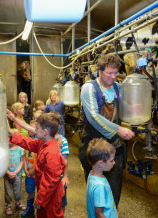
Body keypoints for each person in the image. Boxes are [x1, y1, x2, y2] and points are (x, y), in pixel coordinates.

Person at [79, 54, 135, 207]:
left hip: (115, 146)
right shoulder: (90, 88)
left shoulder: (118, 88)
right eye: (109, 73)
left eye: (116, 73)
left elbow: (127, 108)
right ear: (100, 71)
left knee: (114, 189)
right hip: (94, 145)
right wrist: (118, 129)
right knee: (97, 190)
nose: (113, 77)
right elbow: (93, 117)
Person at [7, 111, 66, 218]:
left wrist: (39, 200)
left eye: (37, 128)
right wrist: (11, 132)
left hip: (51, 196)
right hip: (44, 193)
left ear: (45, 132)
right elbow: (27, 142)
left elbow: (51, 182)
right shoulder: (43, 142)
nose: (35, 130)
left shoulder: (52, 152)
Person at [86, 138, 117, 218]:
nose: (114, 162)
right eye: (111, 160)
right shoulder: (99, 186)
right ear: (100, 164)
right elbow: (99, 213)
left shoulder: (91, 175)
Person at [47, 112, 69, 213]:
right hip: (47, 178)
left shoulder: (62, 140)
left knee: (61, 202)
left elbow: (64, 160)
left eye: (55, 123)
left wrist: (65, 176)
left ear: (59, 125)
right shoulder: (44, 139)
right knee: (47, 201)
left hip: (59, 178)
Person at [4, 129, 26, 215]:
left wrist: (16, 172)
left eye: (11, 137)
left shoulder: (20, 149)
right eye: (7, 137)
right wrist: (8, 172)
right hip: (7, 174)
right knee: (8, 191)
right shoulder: (4, 150)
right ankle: (8, 205)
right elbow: (2, 163)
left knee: (18, 190)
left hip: (18, 174)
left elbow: (22, 161)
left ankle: (18, 202)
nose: (9, 139)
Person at [21, 120, 38, 217]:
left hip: (37, 173)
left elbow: (40, 159)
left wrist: (33, 171)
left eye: (32, 128)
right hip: (28, 173)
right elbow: (24, 156)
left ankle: (40, 210)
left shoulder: (39, 142)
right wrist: (26, 170)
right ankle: (30, 208)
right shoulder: (27, 141)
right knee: (30, 191)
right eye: (28, 128)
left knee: (40, 192)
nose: (29, 130)